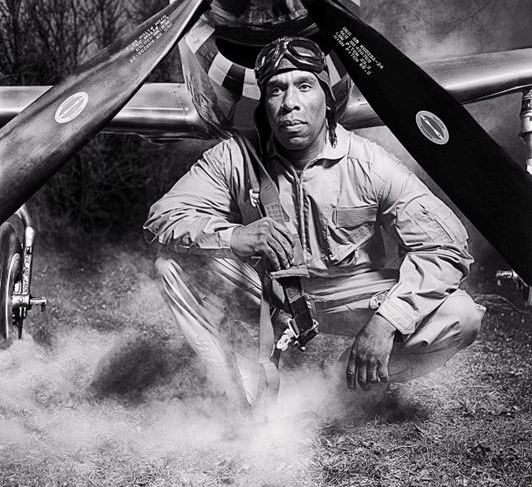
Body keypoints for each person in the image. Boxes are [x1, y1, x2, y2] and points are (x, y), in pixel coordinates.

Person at [144, 37, 484, 413]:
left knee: (461, 316)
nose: (290, 103)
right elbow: (161, 218)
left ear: (327, 99)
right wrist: (233, 236)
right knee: (171, 265)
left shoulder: (369, 163)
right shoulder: (234, 157)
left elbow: (446, 245)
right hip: (270, 293)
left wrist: (388, 321)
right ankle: (233, 398)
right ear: (265, 104)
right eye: (276, 90)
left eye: (304, 86)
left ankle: (336, 386)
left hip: (352, 296)